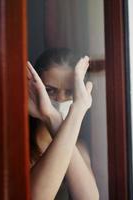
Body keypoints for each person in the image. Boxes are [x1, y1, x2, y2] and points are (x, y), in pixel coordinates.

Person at [27, 48, 99, 200]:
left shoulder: (78, 147)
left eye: (69, 91)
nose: (60, 99)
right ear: (34, 90)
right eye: (50, 90)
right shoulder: (19, 147)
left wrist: (57, 117)